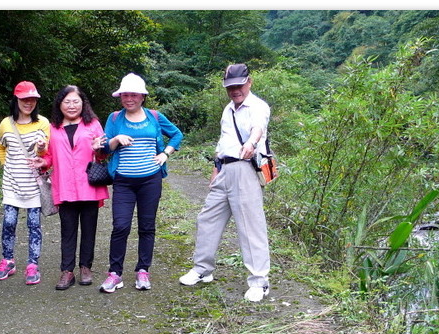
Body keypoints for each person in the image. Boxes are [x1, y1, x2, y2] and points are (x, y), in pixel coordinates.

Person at [178, 63, 271, 302]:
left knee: (250, 227)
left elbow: (258, 128)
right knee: (207, 219)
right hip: (225, 169)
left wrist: (251, 144)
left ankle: (259, 282)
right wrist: (215, 170)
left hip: (245, 169)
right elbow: (223, 142)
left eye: (239, 85)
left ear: (249, 82)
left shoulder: (258, 106)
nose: (235, 90)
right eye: (230, 87)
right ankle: (202, 269)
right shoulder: (228, 109)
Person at [98, 73, 183, 293]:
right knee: (120, 226)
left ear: (142, 96)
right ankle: (115, 273)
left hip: (150, 180)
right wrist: (116, 140)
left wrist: (165, 153)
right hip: (124, 182)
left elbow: (176, 135)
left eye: (134, 95)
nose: (129, 99)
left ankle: (143, 271)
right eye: (125, 94)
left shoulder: (154, 116)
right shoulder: (115, 118)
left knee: (147, 227)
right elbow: (105, 148)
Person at [30, 85, 109, 290]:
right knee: (68, 229)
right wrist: (42, 161)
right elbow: (48, 156)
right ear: (59, 104)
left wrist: (99, 149)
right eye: (67, 102)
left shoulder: (93, 125)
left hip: (88, 185)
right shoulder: (53, 127)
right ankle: (67, 271)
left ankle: (86, 267)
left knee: (89, 228)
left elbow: (102, 155)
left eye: (76, 101)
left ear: (83, 103)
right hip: (64, 184)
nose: (72, 106)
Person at [0, 81, 50, 285]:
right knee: (9, 222)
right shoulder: (5, 123)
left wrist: (42, 149)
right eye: (25, 99)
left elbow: (45, 154)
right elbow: (0, 146)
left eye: (33, 99)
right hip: (11, 182)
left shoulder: (43, 123)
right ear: (16, 100)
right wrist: (5, 164)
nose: (29, 103)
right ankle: (7, 260)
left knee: (34, 225)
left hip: (33, 183)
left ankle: (33, 264)